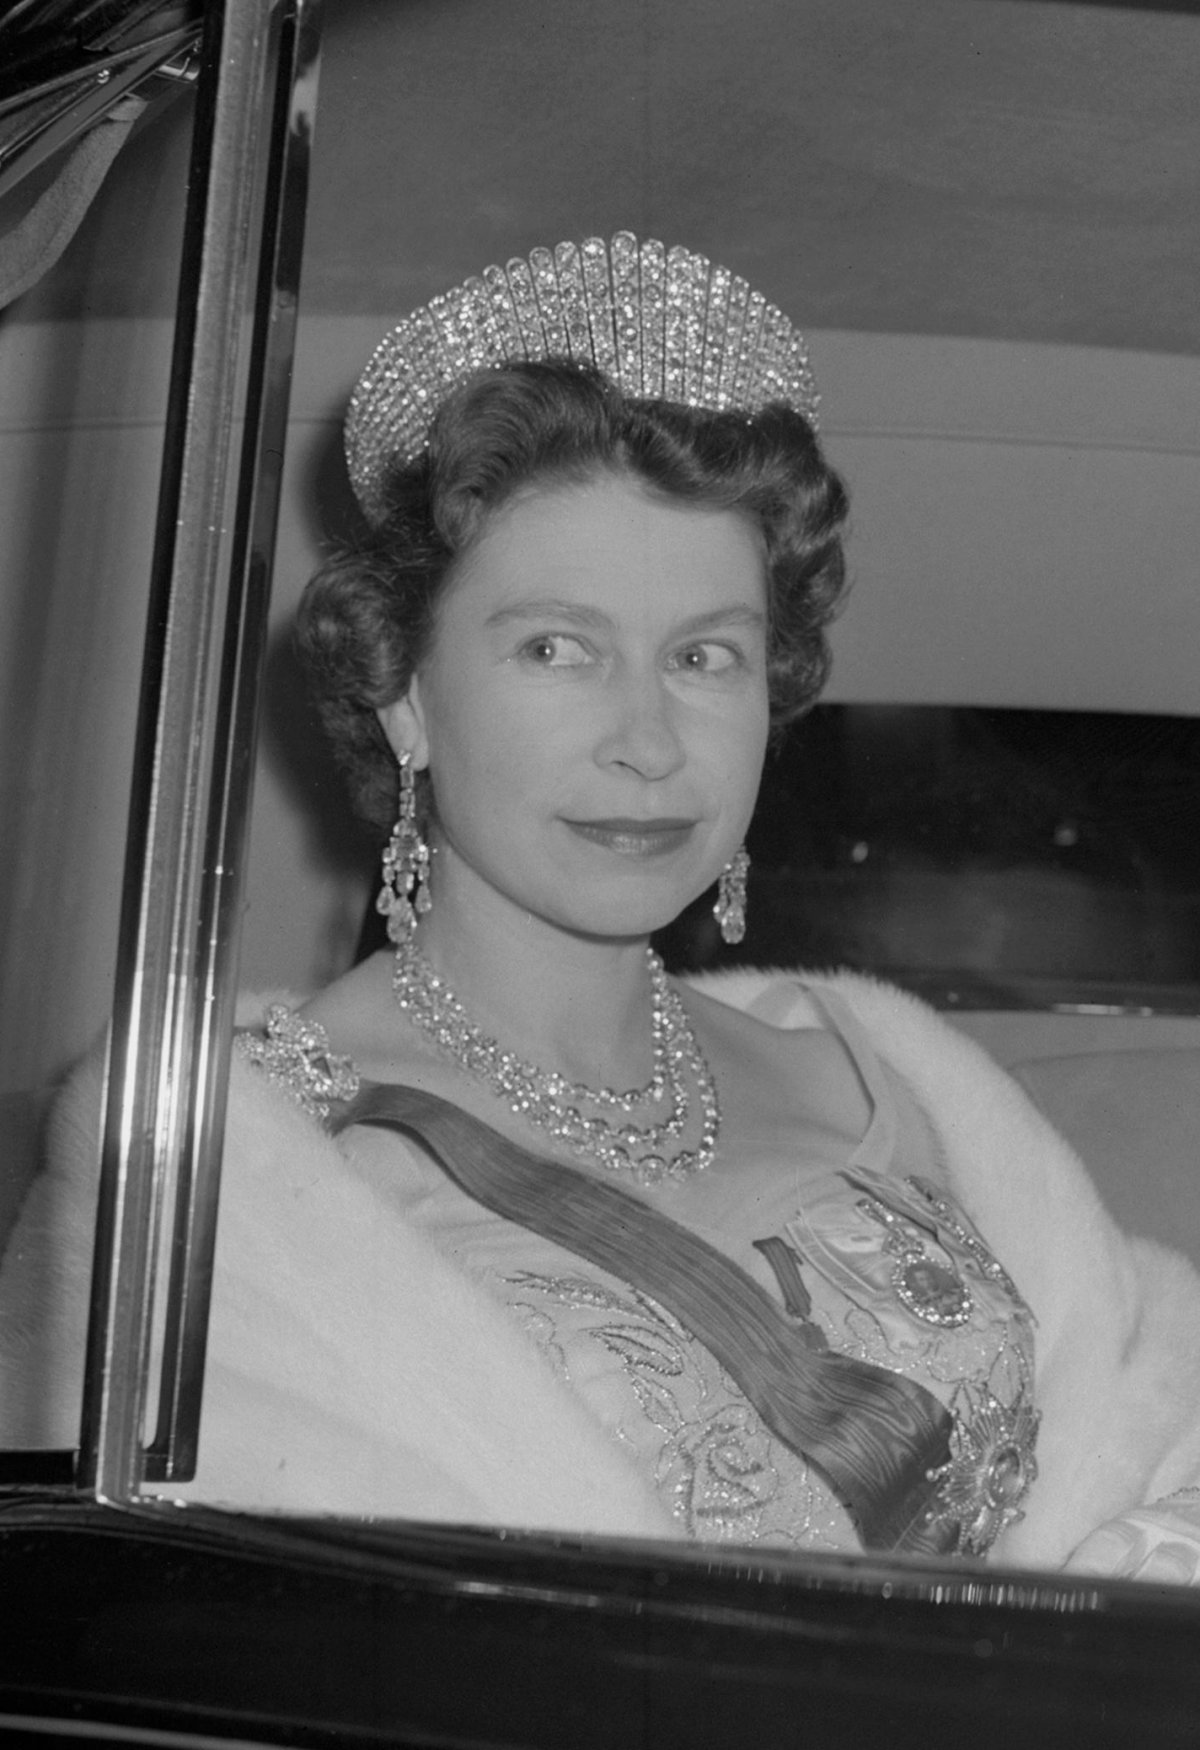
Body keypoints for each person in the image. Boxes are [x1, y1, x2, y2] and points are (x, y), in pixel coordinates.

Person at [6, 234, 1200, 1577]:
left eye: (704, 655)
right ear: (405, 686)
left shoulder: (885, 1069)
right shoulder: (227, 1178)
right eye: (555, 648)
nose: (648, 737)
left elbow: (1154, 1428)